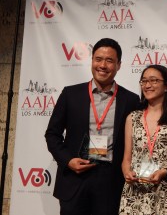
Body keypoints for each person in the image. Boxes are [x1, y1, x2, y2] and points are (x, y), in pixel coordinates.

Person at [45, 38, 140, 215]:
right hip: (75, 178)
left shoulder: (131, 100)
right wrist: (68, 160)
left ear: (119, 65)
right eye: (98, 59)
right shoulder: (70, 94)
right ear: (92, 61)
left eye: (109, 60)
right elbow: (52, 134)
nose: (102, 65)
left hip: (111, 182)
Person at [118, 65, 167, 214]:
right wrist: (127, 173)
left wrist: (165, 171)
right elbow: (126, 159)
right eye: (144, 81)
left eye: (154, 80)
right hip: (135, 192)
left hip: (166, 189)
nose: (147, 85)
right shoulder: (132, 117)